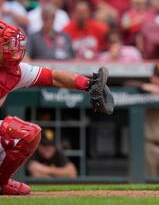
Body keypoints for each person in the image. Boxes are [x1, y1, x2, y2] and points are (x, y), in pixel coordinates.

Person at [0, 20, 114, 195]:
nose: (13, 48)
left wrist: (88, 84)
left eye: (12, 43)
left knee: (29, 133)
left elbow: (53, 77)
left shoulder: (15, 71)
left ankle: (2, 183)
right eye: (6, 44)